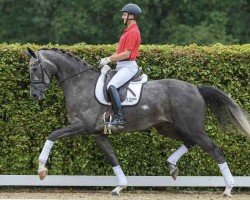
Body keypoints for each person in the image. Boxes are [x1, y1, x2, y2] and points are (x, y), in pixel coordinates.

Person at [100, 3, 142, 126]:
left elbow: (126, 54)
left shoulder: (133, 32)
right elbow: (120, 52)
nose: (122, 17)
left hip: (128, 67)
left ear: (131, 16)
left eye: (124, 14)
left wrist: (109, 59)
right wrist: (107, 58)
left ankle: (119, 118)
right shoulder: (127, 31)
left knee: (111, 86)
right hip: (122, 66)